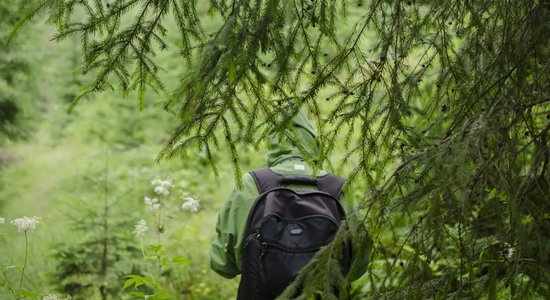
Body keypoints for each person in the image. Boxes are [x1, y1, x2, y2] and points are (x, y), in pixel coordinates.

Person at [209, 110, 372, 298]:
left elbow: (223, 263)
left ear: (273, 144)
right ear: (313, 142)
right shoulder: (337, 188)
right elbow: (358, 263)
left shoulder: (251, 184)